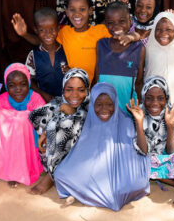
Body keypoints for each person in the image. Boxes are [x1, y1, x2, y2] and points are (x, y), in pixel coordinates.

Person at [53, 83, 150, 211]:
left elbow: (143, 151)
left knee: (127, 187)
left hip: (121, 172)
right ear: (92, 104)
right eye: (99, 105)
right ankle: (94, 193)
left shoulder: (126, 121)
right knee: (60, 174)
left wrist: (139, 122)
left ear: (115, 103)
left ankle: (86, 194)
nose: (104, 109)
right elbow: (81, 155)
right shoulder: (89, 122)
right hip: (94, 171)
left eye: (109, 104)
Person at [0, 63, 46, 187]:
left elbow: (44, 125)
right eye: (12, 86)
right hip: (7, 148)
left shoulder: (36, 99)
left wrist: (21, 121)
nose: (18, 89)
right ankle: (6, 167)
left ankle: (20, 170)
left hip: (32, 148)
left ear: (29, 83)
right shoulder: (2, 100)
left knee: (23, 119)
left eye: (23, 84)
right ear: (7, 86)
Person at [130, 76, 174, 207]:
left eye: (160, 98)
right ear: (143, 97)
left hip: (166, 154)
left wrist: (170, 125)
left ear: (166, 98)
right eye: (149, 98)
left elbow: (171, 150)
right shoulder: (139, 113)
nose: (155, 103)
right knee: (139, 162)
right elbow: (143, 150)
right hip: (149, 156)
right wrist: (139, 123)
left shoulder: (171, 113)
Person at [28, 68, 90, 195]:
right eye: (69, 89)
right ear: (63, 89)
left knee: (67, 123)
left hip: (79, 161)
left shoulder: (92, 107)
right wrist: (45, 131)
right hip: (52, 154)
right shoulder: (60, 101)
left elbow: (85, 122)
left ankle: (51, 176)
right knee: (51, 115)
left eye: (81, 90)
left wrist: (72, 114)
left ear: (88, 90)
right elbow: (34, 115)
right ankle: (52, 169)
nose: (75, 95)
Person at [95, 1, 145, 113]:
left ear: (130, 21)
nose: (116, 26)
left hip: (128, 112)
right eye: (111, 22)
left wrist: (139, 109)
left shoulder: (139, 48)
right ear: (106, 24)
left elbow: (139, 82)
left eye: (122, 21)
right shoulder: (101, 44)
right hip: (104, 113)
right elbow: (97, 78)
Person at [24, 7, 68, 103]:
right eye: (42, 30)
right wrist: (41, 94)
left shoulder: (66, 50)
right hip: (44, 101)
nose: (48, 34)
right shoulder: (33, 55)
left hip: (68, 101)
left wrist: (70, 70)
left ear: (58, 28)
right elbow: (27, 79)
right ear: (36, 30)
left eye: (52, 29)